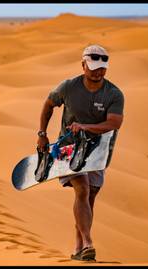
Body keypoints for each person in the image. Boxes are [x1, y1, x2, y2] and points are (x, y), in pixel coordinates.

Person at [36, 44, 124, 261]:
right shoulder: (68, 87)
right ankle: (88, 242)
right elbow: (48, 105)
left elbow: (114, 123)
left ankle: (79, 249)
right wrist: (42, 133)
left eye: (102, 67)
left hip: (99, 150)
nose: (98, 71)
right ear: (83, 64)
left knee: (89, 197)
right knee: (82, 188)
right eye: (93, 66)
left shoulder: (113, 94)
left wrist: (86, 127)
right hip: (69, 148)